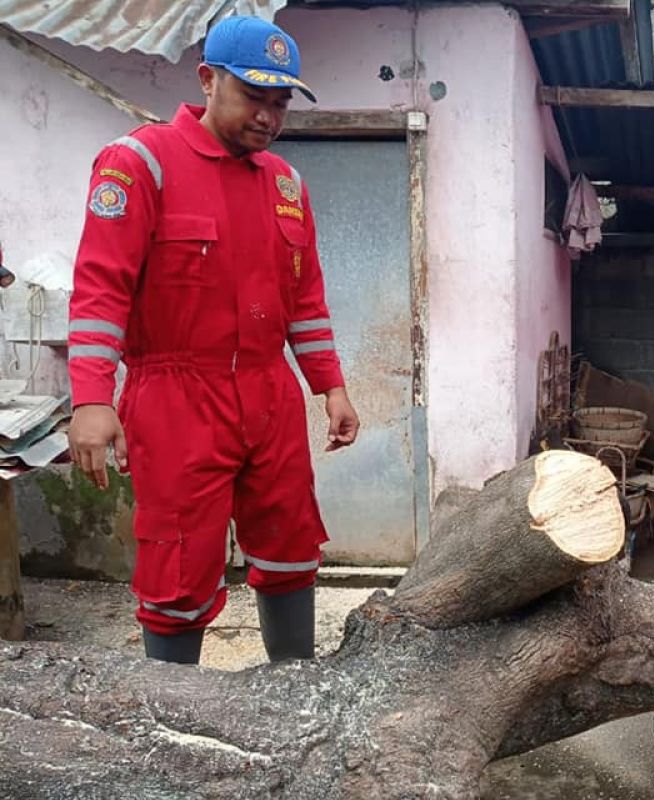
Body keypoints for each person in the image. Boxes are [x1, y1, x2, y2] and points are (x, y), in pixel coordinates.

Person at [66, 16, 360, 665]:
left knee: (290, 548)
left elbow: (305, 301)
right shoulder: (140, 164)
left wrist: (330, 387)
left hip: (269, 394)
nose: (267, 115)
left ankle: (295, 700)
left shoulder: (285, 184)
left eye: (279, 103)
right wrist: (92, 398)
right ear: (207, 79)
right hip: (175, 399)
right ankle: (174, 722)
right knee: (178, 568)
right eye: (254, 96)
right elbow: (99, 288)